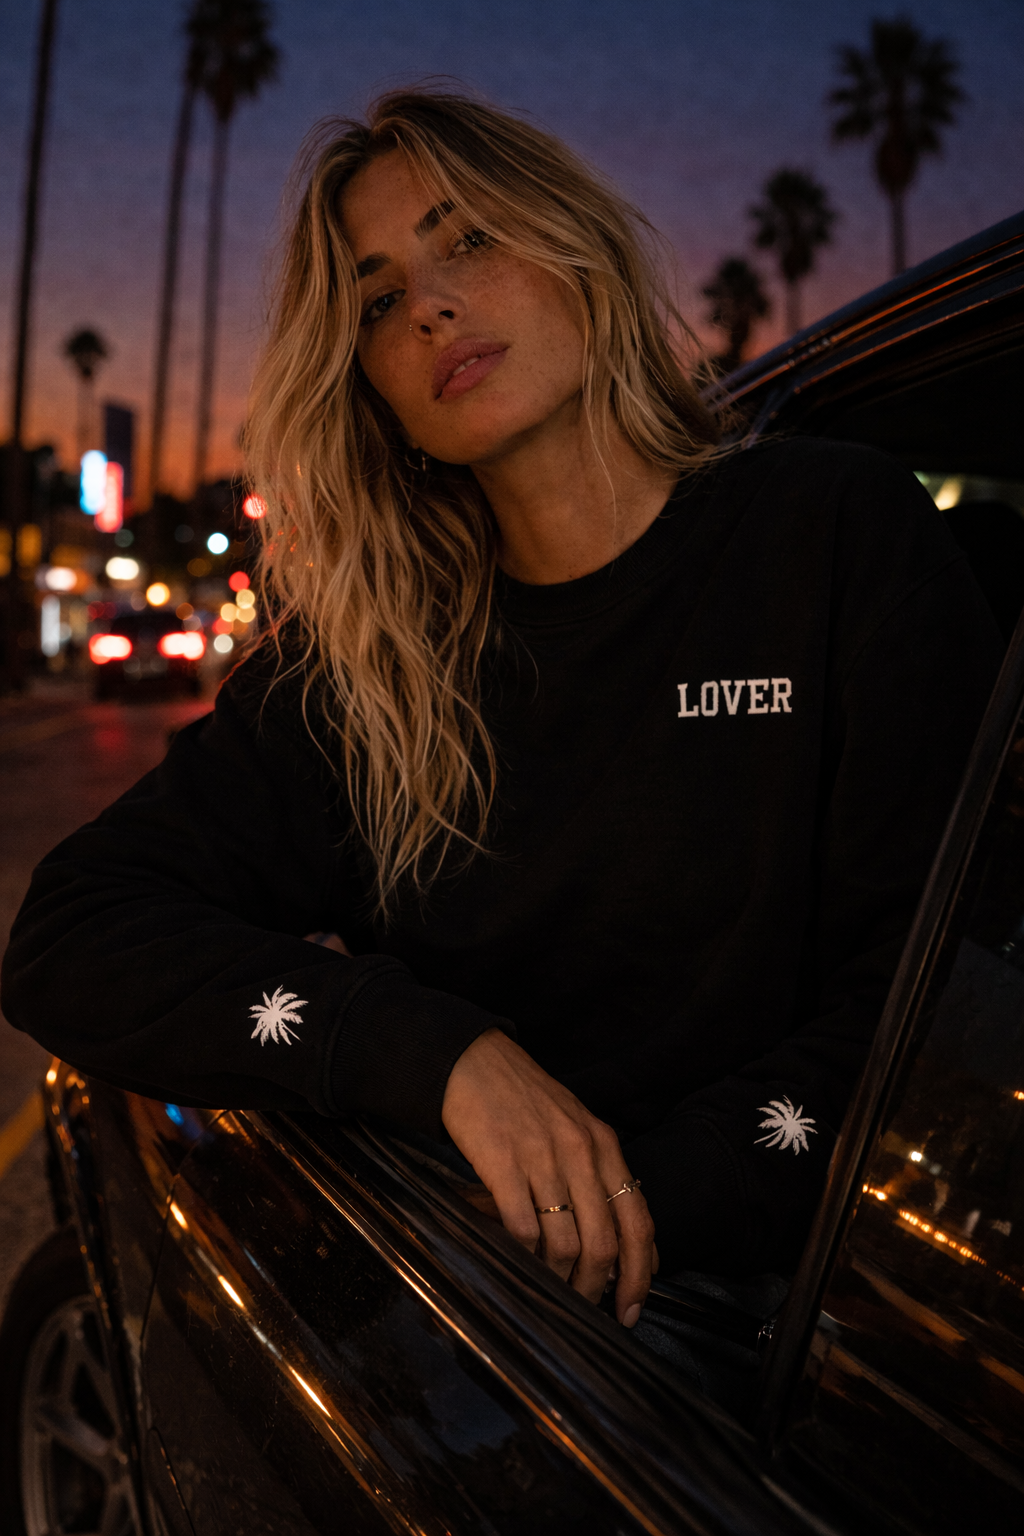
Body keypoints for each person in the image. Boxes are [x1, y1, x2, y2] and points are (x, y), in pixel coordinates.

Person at [1, 91, 1000, 1374]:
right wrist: (437, 1054)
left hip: (817, 1333)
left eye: (466, 239)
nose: (428, 305)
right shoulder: (369, 667)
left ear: (573, 244)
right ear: (369, 388)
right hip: (487, 1348)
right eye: (375, 300)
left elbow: (938, 989)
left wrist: (652, 1196)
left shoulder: (829, 532)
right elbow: (70, 934)